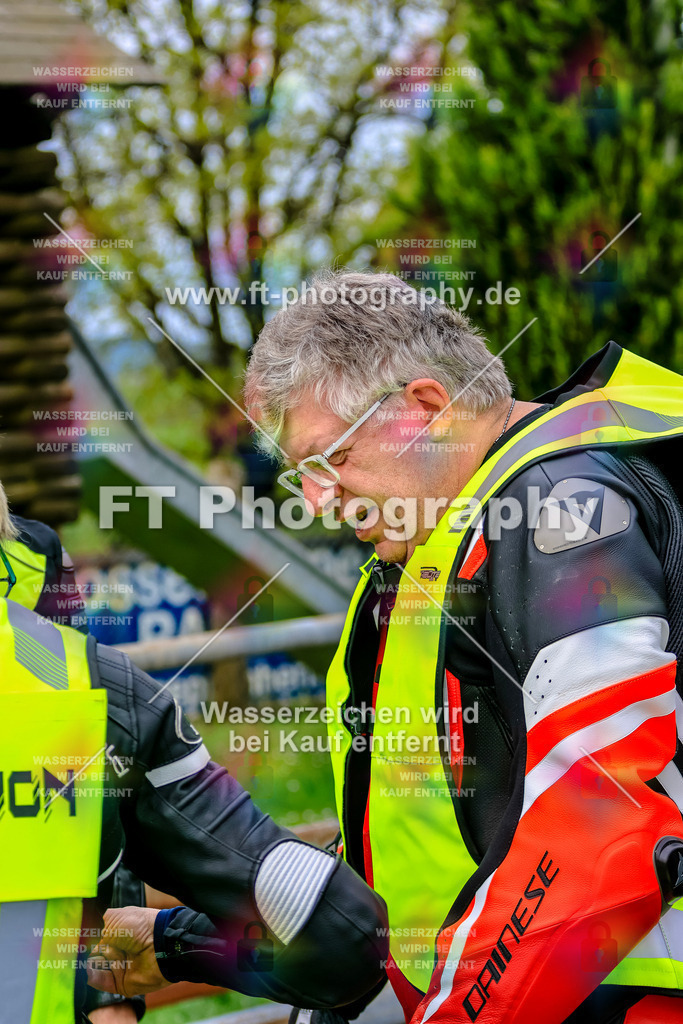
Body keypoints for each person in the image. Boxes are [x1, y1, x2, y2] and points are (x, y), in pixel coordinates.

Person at [238, 270, 683, 1024]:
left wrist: (458, 1012)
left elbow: (601, 812)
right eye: (298, 475)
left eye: (328, 461)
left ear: (424, 409)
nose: (312, 501)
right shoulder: (446, 528)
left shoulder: (557, 505)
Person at [0, 486, 389, 1024]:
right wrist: (168, 946)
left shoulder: (38, 564)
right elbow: (342, 938)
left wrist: (111, 995)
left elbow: (100, 814)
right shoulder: (93, 682)